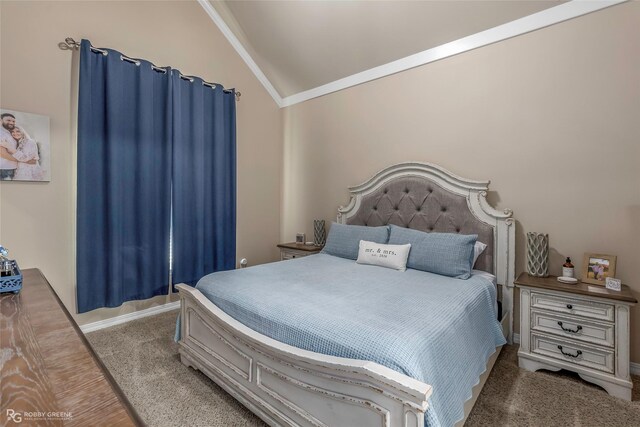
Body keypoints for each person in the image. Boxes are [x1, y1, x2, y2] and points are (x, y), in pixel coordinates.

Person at [0, 113, 18, 180]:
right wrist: (20, 160)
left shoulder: (8, 132)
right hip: (4, 169)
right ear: (1, 120)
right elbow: (2, 153)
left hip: (10, 168)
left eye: (13, 121)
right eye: (8, 120)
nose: (11, 123)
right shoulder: (1, 133)